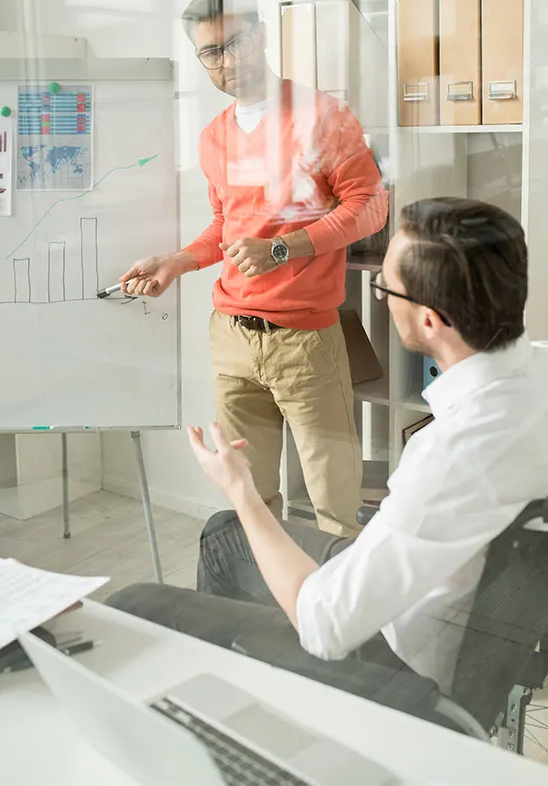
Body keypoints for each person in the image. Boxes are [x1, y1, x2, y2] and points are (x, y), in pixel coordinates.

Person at [108, 197, 548, 692]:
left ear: (429, 320)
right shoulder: (538, 372)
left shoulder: (448, 455)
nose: (380, 298)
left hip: (401, 663)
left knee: (143, 600)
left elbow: (326, 626)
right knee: (225, 533)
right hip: (457, 606)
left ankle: (243, 706)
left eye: (386, 287)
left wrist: (243, 492)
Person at [120, 0, 387, 537]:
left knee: (335, 506)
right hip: (231, 337)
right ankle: (269, 608)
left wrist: (285, 248)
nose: (226, 62)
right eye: (210, 52)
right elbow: (227, 226)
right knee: (253, 500)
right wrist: (178, 261)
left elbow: (370, 207)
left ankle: (337, 622)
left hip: (306, 341)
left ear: (261, 37)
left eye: (235, 42)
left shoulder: (322, 115)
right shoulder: (213, 137)